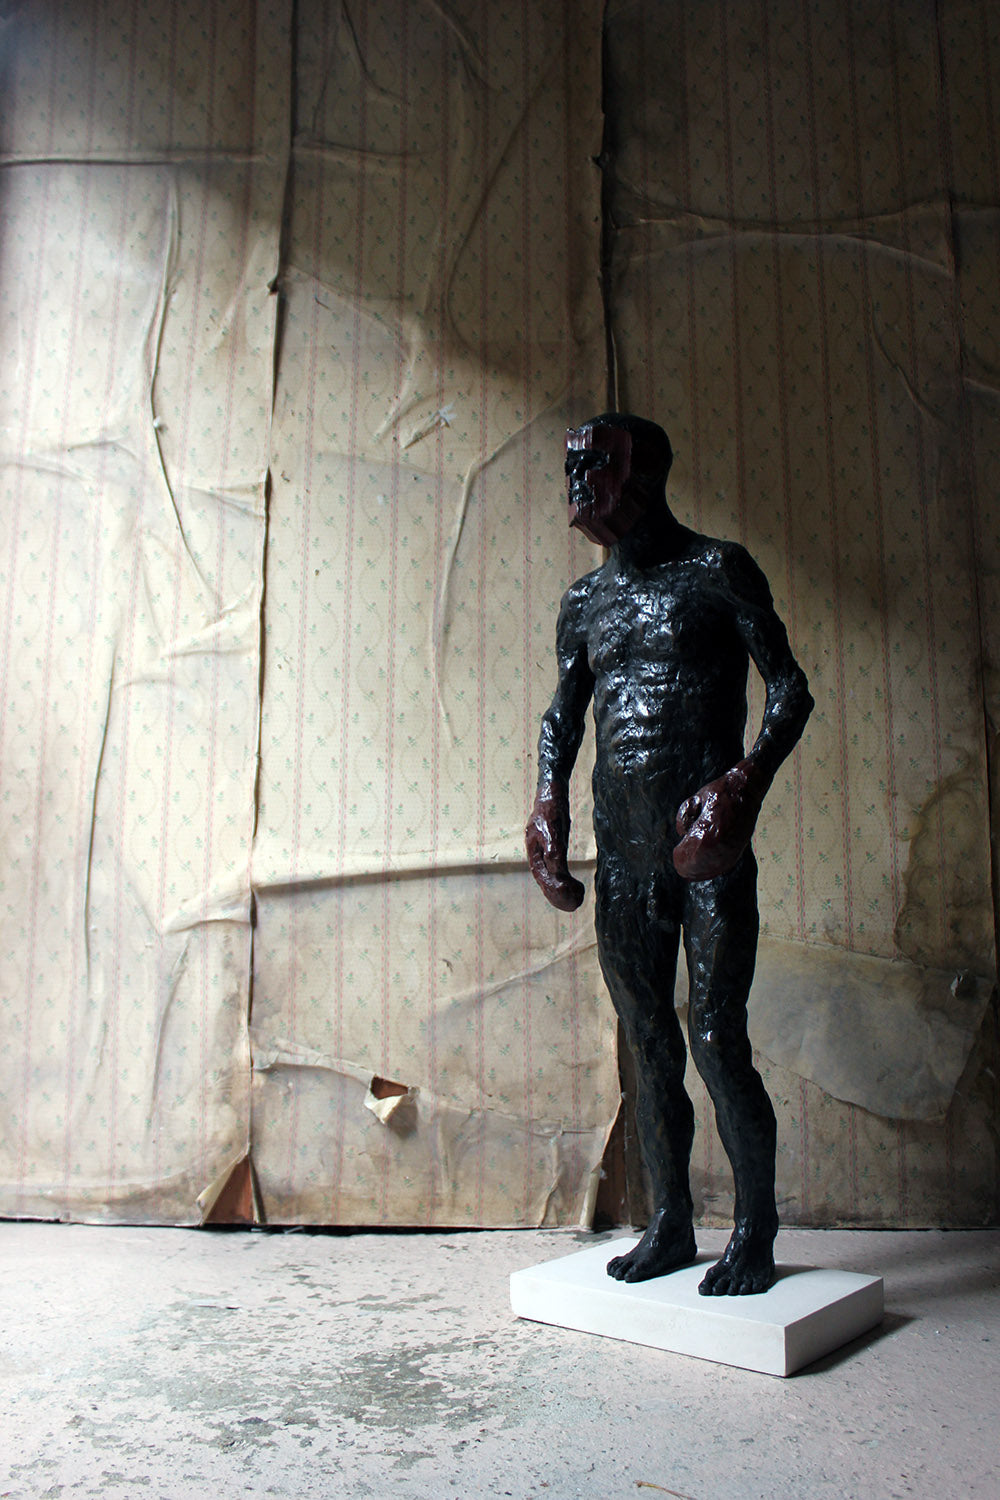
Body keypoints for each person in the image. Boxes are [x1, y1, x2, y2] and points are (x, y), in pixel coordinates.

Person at [526, 413, 813, 1295]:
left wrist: (743, 785)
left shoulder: (717, 570)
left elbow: (791, 690)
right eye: (572, 466)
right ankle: (671, 1223)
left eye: (596, 464)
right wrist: (546, 801)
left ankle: (754, 1231)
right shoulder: (585, 602)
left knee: (717, 1039)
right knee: (650, 1044)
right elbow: (562, 718)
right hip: (623, 857)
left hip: (707, 852)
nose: (578, 480)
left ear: (645, 474)